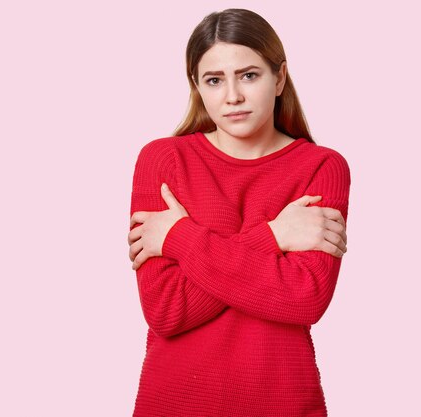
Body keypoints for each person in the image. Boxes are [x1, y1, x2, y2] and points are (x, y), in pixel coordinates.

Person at [127, 8, 351, 416]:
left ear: (279, 77)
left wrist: (179, 237)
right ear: (197, 86)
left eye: (249, 75)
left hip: (281, 403)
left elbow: (305, 300)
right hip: (174, 403)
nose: (232, 96)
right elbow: (167, 310)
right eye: (215, 80)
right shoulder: (163, 160)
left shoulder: (321, 167)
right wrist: (274, 236)